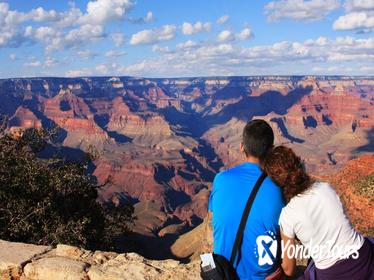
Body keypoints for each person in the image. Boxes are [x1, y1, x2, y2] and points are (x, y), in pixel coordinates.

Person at [263, 146, 374, 279]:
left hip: (332, 274)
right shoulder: (325, 188)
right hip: (365, 258)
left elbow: (289, 269)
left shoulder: (288, 216)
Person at [208, 119, 285, 279]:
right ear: (271, 151)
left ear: (242, 146)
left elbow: (213, 221)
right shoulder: (278, 189)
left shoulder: (220, 179)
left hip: (223, 274)